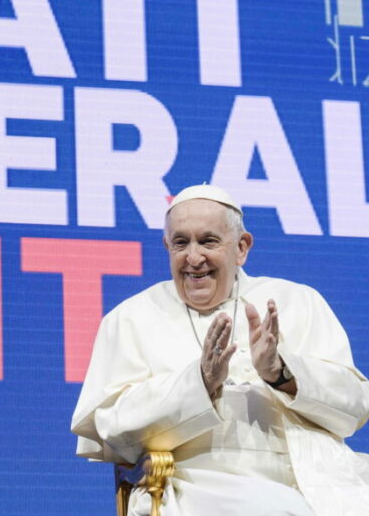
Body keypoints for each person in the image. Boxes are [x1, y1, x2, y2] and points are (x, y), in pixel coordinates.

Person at [71, 184, 369, 515]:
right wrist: (200, 381)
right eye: (180, 243)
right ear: (167, 246)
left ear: (241, 247)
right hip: (198, 482)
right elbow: (114, 430)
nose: (193, 257)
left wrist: (281, 374)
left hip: (320, 475)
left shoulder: (298, 301)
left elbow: (354, 408)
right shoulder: (130, 318)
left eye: (208, 241)